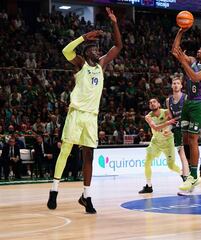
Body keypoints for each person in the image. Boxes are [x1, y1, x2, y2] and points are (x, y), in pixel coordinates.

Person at [47, 7, 122, 214]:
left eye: (99, 49)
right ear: (86, 52)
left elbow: (118, 45)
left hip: (92, 117)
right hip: (76, 113)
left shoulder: (102, 65)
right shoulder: (80, 63)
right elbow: (65, 51)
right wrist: (83, 37)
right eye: (94, 49)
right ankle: (54, 190)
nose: (98, 51)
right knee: (66, 151)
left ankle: (87, 196)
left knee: (88, 156)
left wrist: (114, 23)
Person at [172, 28, 201, 192]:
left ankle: (193, 176)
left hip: (199, 103)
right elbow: (175, 51)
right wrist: (180, 32)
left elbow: (195, 77)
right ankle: (191, 173)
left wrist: (183, 62)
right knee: (185, 139)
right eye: (199, 49)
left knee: (192, 138)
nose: (199, 50)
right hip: (188, 102)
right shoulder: (193, 61)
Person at [138, 98, 181, 194]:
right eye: (150, 103)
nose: (152, 104)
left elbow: (175, 121)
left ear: (158, 104)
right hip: (156, 142)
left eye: (154, 102)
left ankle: (184, 175)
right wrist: (168, 123)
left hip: (168, 142)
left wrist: (169, 128)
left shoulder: (166, 112)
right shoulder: (148, 117)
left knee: (171, 166)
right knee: (147, 162)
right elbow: (156, 128)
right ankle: (149, 186)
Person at [166, 76, 189, 182]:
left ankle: (187, 177)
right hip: (176, 130)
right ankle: (187, 177)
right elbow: (171, 118)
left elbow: (191, 113)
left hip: (186, 128)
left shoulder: (186, 97)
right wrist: (168, 128)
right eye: (174, 83)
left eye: (178, 83)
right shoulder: (168, 100)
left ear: (181, 86)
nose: (175, 85)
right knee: (182, 155)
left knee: (185, 154)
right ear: (171, 85)